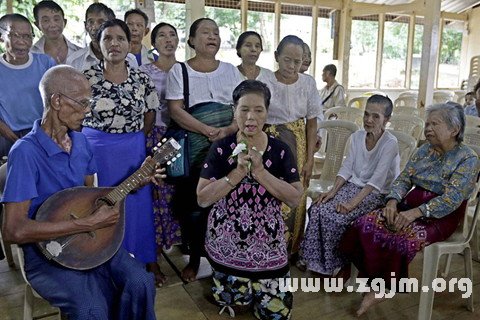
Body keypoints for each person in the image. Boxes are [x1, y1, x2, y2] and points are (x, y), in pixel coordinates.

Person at [1, 65, 159, 319]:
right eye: (83, 103)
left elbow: (91, 197)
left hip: (90, 241)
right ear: (57, 101)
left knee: (141, 281)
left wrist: (135, 182)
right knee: (91, 308)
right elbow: (13, 230)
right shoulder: (25, 152)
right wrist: (86, 223)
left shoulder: (82, 141)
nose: (89, 110)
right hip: (47, 252)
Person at [340, 103, 479, 316]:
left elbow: (452, 200)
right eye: (427, 123)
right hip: (409, 205)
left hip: (441, 216)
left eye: (435, 124)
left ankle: (383, 287)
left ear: (454, 129)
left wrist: (415, 213)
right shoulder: (424, 150)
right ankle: (369, 278)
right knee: (364, 224)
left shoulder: (468, 159)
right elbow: (404, 178)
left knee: (402, 239)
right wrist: (392, 202)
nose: (428, 128)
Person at [197, 80, 303, 319]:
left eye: (258, 110)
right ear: (234, 111)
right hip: (227, 240)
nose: (251, 117)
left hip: (268, 242)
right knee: (235, 302)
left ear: (267, 112)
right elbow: (202, 199)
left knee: (276, 313)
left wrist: (260, 172)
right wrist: (237, 173)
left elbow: (295, 198)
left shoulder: (280, 149)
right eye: (244, 109)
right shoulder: (222, 148)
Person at [81, 19, 161, 285]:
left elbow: (150, 114)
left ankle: (140, 261)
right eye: (107, 39)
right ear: (98, 44)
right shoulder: (85, 77)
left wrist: (135, 139)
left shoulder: (141, 78)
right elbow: (75, 117)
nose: (114, 44)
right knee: (98, 203)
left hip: (132, 151)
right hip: (95, 151)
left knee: (136, 206)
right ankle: (101, 262)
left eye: (120, 38)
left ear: (130, 44)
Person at [166, 17, 242, 282]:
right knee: (195, 206)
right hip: (196, 149)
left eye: (216, 33)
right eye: (206, 32)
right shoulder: (180, 71)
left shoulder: (231, 71)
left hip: (228, 146)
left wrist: (229, 129)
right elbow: (175, 110)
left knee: (227, 202)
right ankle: (196, 259)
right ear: (192, 40)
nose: (212, 37)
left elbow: (240, 108)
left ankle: (226, 258)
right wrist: (207, 131)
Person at [301, 95, 400, 276]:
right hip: (354, 186)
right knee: (317, 208)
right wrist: (332, 192)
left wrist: (351, 204)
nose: (369, 120)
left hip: (376, 193)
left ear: (387, 119)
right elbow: (347, 168)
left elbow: (376, 182)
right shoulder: (357, 136)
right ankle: (316, 262)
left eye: (376, 116)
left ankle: (338, 265)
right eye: (366, 114)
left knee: (337, 218)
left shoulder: (390, 143)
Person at [261, 35, 322, 256]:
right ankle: (268, 246)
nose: (292, 66)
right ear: (277, 56)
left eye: (298, 61)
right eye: (287, 60)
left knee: (296, 191)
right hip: (268, 143)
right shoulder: (265, 80)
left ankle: (292, 248)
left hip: (297, 142)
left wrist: (309, 159)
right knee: (270, 191)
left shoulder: (308, 83)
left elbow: (312, 121)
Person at [139, 22, 181, 286]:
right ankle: (151, 257)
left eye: (173, 35)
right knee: (153, 197)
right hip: (155, 138)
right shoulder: (144, 72)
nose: (168, 39)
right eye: (162, 36)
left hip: (181, 138)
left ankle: (177, 244)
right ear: (153, 43)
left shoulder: (186, 70)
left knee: (177, 195)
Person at [0, 13, 56, 159]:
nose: (22, 42)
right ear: (1, 37)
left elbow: (59, 100)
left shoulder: (46, 64)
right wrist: (12, 137)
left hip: (44, 133)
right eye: (16, 35)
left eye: (27, 36)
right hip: (8, 135)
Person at [66, 2, 137, 71]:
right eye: (91, 22)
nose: (95, 27)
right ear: (85, 26)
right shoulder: (74, 61)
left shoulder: (130, 60)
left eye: (101, 22)